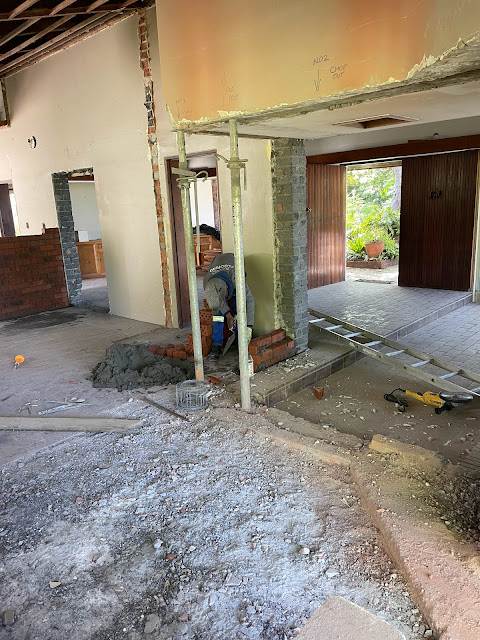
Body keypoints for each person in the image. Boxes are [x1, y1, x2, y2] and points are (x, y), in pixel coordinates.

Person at [203, 252, 255, 360]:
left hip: (231, 263)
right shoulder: (207, 283)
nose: (225, 299)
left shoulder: (237, 278)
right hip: (218, 266)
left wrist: (249, 327)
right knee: (217, 314)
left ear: (227, 288)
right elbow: (218, 302)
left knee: (238, 307)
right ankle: (216, 345)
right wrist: (228, 316)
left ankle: (240, 337)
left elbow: (250, 301)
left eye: (225, 297)